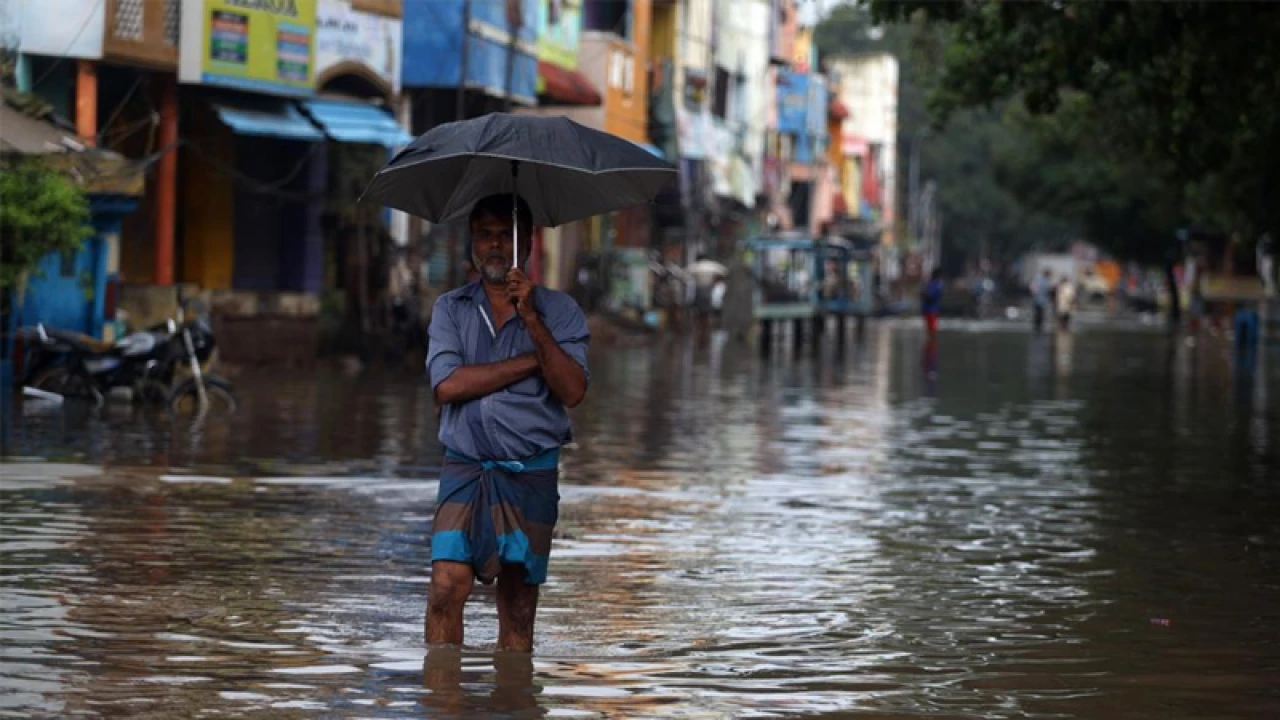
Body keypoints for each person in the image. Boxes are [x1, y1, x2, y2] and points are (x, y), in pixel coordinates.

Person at [424, 193, 590, 653]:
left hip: (531, 473)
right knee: (445, 586)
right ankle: (443, 699)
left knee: (518, 602)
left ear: (527, 244)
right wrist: (530, 363)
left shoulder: (561, 313)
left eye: (506, 235)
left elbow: (573, 391)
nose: (495, 246)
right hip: (466, 467)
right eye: (485, 235)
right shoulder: (450, 309)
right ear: (472, 244)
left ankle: (512, 699)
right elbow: (448, 386)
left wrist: (532, 322)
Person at [920, 269, 944, 337]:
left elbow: (930, 296)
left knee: (932, 330)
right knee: (930, 329)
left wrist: (924, 294)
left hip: (932, 310)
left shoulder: (937, 284)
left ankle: (932, 345)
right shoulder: (931, 283)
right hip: (928, 310)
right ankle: (930, 345)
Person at [1031, 269, 1052, 333]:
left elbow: (1033, 288)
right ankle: (1038, 327)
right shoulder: (1043, 280)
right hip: (1040, 300)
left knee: (1038, 314)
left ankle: (1037, 327)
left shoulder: (1039, 279)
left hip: (1037, 299)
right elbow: (1046, 291)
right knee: (1039, 314)